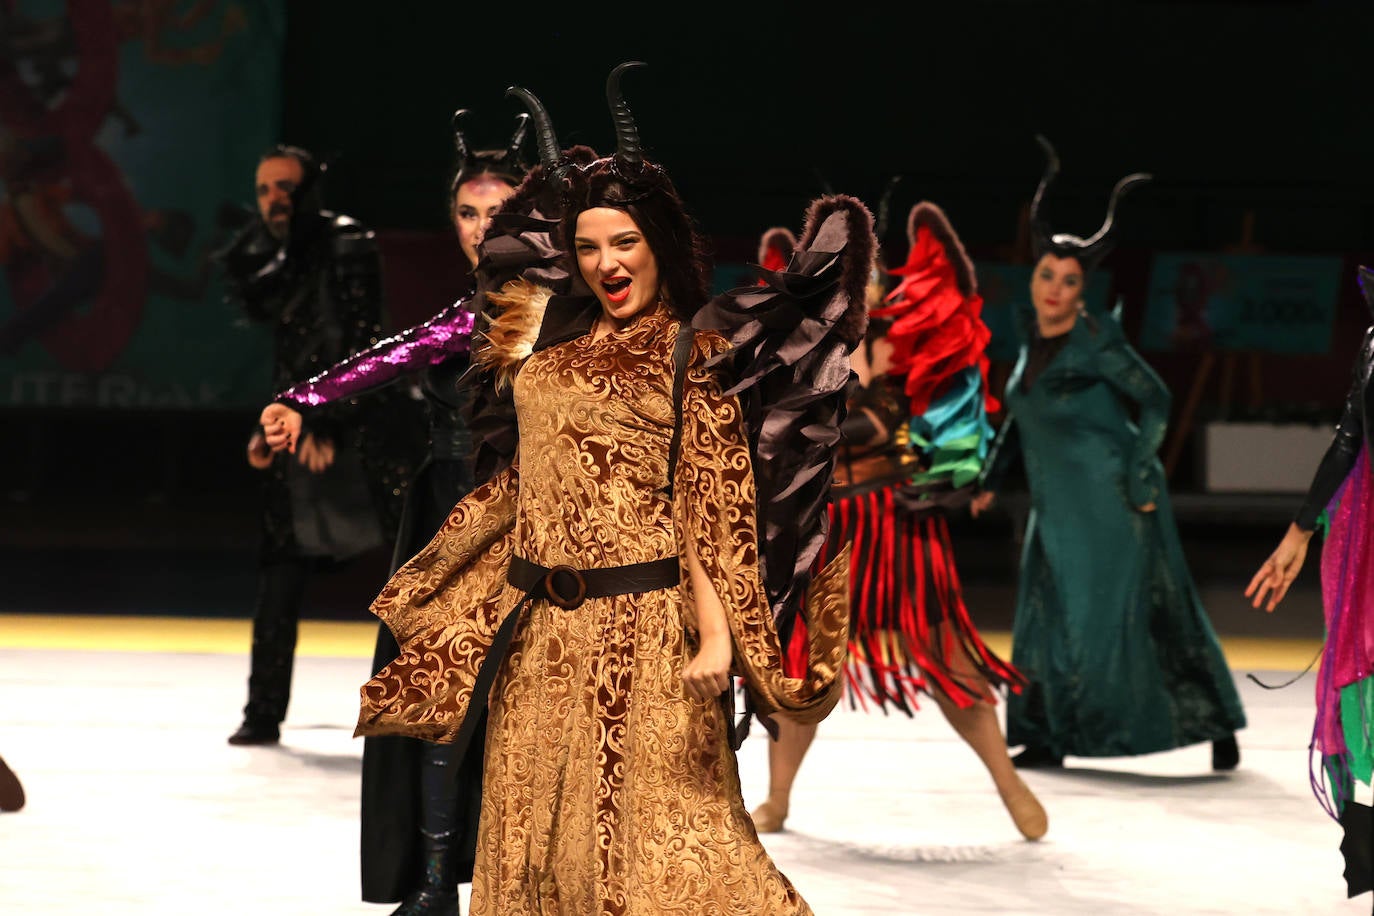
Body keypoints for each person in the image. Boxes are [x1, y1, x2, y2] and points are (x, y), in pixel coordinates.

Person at [354, 63, 863, 914]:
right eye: (589, 246)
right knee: (532, 853)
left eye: (623, 242)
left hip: (648, 641)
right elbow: (524, 485)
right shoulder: (547, 352)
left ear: (659, 241)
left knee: (676, 854)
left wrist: (716, 637)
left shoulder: (692, 355)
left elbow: (712, 509)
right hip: (539, 639)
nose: (606, 263)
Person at [258, 111, 536, 915]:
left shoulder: (551, 309)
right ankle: (431, 883)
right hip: (448, 520)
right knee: (432, 702)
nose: (484, 229)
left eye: (501, 213)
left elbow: (406, 354)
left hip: (531, 527)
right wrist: (299, 400)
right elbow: (398, 354)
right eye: (469, 213)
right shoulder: (476, 306)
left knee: (524, 708)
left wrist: (304, 398)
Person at [749, 194, 1047, 842]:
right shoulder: (793, 343)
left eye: (863, 267)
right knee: (803, 664)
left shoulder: (899, 335)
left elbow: (890, 419)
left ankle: (1010, 782)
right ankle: (777, 796)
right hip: (825, 528)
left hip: (896, 522)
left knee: (946, 656)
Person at [973, 135, 1246, 770]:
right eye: (1047, 275)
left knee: (1129, 619)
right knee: (1043, 619)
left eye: (1068, 281)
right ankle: (1045, 733)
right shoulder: (1027, 341)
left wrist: (1139, 465)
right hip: (1053, 507)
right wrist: (991, 475)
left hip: (1111, 502)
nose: (1054, 288)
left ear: (1081, 291)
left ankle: (1210, 722)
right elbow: (1021, 417)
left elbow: (1156, 400)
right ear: (1035, 277)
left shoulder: (1097, 341)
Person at [216, 144, 421, 747]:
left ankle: (416, 705)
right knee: (278, 567)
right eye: (263, 189)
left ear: (312, 189)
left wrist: (329, 422)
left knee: (407, 569)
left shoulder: (347, 241)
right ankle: (262, 712)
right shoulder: (271, 254)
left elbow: (365, 339)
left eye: (285, 187)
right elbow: (289, 348)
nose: (273, 199)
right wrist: (274, 426)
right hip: (300, 418)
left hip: (367, 424)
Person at [1246, 265, 1374, 895]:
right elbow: (1349, 440)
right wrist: (1299, 531)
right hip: (1370, 549)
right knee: (1366, 696)